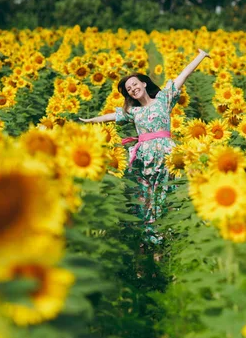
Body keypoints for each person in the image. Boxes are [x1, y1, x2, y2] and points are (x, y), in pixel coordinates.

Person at [79, 48, 211, 244]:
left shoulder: (163, 100)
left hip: (166, 155)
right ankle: (145, 241)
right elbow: (112, 116)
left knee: (166, 193)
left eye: (134, 84)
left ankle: (166, 239)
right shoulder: (133, 111)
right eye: (129, 89)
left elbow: (182, 76)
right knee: (143, 198)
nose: (132, 89)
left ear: (143, 83)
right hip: (143, 159)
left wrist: (200, 56)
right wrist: (91, 120)